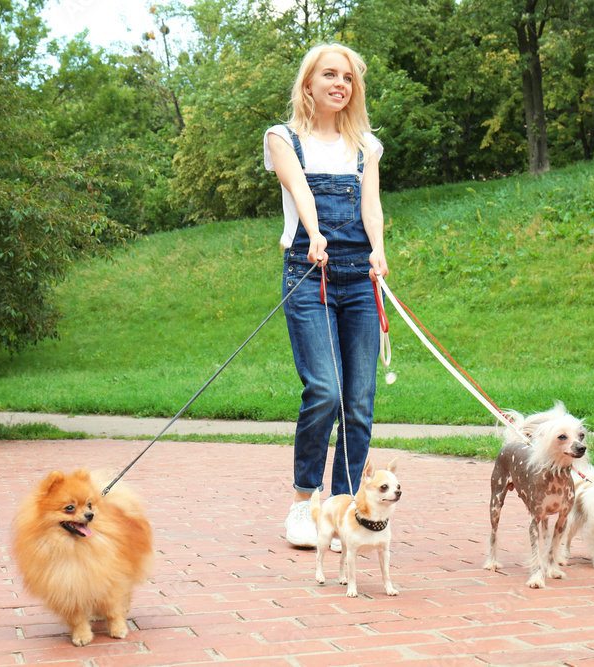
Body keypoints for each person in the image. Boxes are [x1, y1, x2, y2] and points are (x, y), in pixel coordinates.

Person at [263, 43, 388, 549]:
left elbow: (372, 205)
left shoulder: (366, 146)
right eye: (329, 75)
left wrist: (379, 250)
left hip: (360, 278)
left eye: (348, 78)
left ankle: (344, 511)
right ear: (308, 83)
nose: (340, 84)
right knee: (325, 391)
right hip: (307, 274)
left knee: (357, 403)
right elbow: (300, 191)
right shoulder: (282, 138)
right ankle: (303, 502)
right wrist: (313, 235)